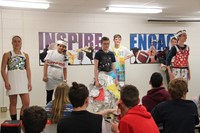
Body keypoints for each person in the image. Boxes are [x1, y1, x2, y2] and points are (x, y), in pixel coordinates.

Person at [1, 35, 32, 120]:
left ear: (21, 43)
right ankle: (14, 122)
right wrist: (6, 81)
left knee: (26, 103)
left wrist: (29, 82)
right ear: (12, 43)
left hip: (23, 80)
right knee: (13, 102)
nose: (17, 43)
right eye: (15, 41)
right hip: (12, 80)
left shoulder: (25, 55)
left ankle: (21, 121)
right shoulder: (7, 54)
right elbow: (3, 69)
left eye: (19, 41)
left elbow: (28, 69)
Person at [92, 36, 120, 112]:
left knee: (114, 94)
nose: (106, 45)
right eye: (104, 44)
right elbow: (95, 68)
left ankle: (111, 112)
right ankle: (102, 112)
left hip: (110, 74)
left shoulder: (111, 54)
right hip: (102, 74)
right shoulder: (98, 54)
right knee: (103, 95)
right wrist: (96, 80)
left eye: (108, 44)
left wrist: (116, 79)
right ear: (101, 44)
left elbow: (113, 67)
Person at [43, 40, 67, 104]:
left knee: (59, 94)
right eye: (60, 46)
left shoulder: (65, 57)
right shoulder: (51, 53)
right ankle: (48, 109)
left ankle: (58, 108)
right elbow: (46, 64)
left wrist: (65, 79)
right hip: (50, 76)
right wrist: (45, 75)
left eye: (63, 47)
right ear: (57, 46)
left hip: (59, 77)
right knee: (49, 94)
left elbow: (65, 68)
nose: (62, 48)